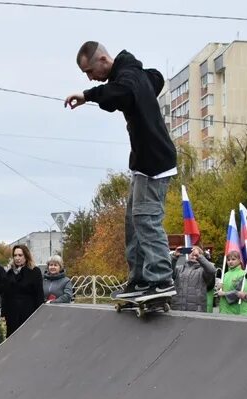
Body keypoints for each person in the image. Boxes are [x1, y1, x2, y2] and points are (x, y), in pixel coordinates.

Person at [66, 41, 176, 300]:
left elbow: (121, 93)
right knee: (133, 221)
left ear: (104, 60)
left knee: (147, 219)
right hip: (143, 162)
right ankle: (138, 279)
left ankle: (161, 279)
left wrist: (88, 94)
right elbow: (156, 78)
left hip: (155, 163)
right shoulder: (135, 76)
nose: (91, 77)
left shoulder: (129, 79)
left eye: (90, 71)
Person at [0, 244, 44, 336]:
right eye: (15, 255)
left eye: (20, 255)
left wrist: (39, 314)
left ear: (26, 256)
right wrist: (4, 313)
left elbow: (39, 294)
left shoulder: (34, 271)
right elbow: (5, 294)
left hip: (28, 313)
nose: (17, 258)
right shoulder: (9, 273)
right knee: (12, 339)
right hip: (12, 314)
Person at [171, 245, 216, 312]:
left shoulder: (203, 270)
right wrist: (174, 257)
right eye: (191, 252)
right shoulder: (179, 269)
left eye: (195, 253)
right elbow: (168, 271)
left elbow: (212, 270)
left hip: (196, 311)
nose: (193, 254)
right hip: (177, 309)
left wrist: (199, 256)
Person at [216, 251, 245, 315]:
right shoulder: (225, 274)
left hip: (234, 309)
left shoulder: (243, 274)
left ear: (239, 260)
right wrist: (219, 288)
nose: (230, 262)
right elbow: (220, 293)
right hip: (223, 308)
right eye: (228, 260)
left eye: (233, 259)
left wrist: (224, 294)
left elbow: (239, 292)